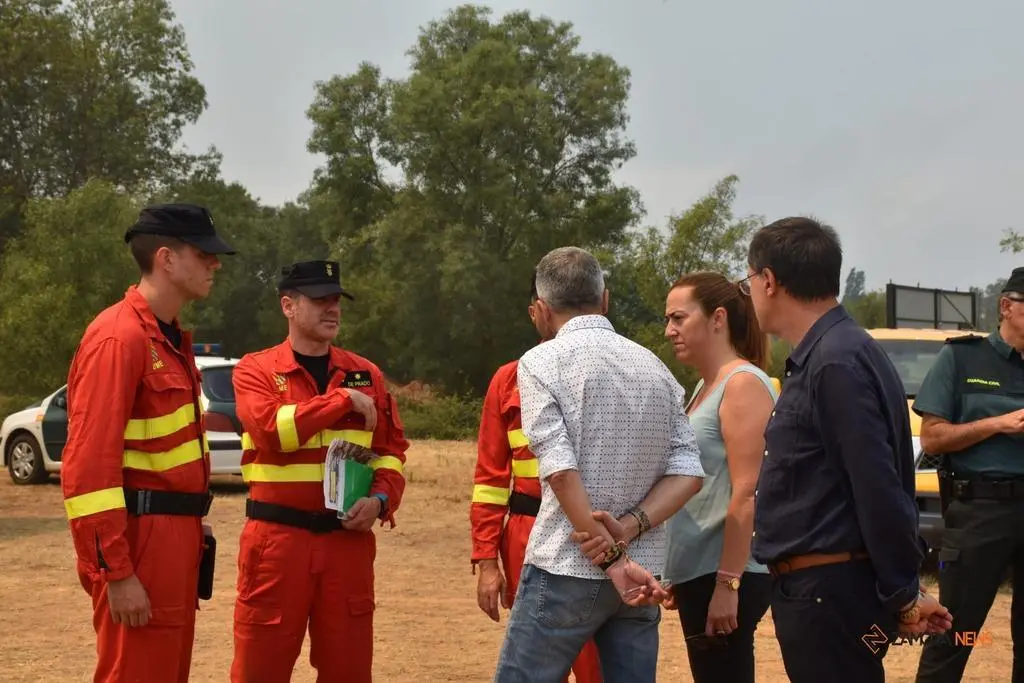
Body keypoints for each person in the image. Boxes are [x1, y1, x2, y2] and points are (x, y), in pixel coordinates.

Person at [742, 216, 952, 683]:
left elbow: (876, 487)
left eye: (749, 280)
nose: (750, 292)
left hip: (828, 595)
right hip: (824, 591)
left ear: (769, 280)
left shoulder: (834, 362)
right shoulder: (837, 352)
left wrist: (902, 592)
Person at [493, 246, 706, 683]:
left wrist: (610, 557)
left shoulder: (540, 362)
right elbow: (689, 472)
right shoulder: (654, 367)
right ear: (604, 299)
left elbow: (560, 471)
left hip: (565, 567)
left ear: (541, 309)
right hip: (641, 571)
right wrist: (628, 529)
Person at [60, 203, 236, 683]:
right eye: (203, 253)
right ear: (166, 258)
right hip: (139, 543)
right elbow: (88, 468)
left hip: (173, 536)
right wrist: (115, 571)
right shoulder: (119, 338)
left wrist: (188, 518)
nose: (215, 264)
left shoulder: (166, 337)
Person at [229, 260, 409, 683]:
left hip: (346, 546)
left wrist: (380, 500)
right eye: (319, 299)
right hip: (277, 545)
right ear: (288, 306)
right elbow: (272, 431)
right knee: (260, 670)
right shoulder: (256, 370)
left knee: (348, 670)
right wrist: (341, 400)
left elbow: (390, 453)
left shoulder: (367, 374)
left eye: (336, 300)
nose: (332, 308)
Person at [470, 274, 603, 683]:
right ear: (536, 313)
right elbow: (491, 480)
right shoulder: (507, 380)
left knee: (596, 666)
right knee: (538, 666)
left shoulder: (613, 369)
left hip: (595, 534)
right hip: (526, 536)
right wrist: (487, 561)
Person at [659, 271, 777, 683]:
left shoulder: (742, 384)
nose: (669, 330)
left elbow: (748, 491)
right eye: (668, 320)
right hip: (703, 572)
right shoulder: (704, 387)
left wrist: (727, 584)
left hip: (727, 573)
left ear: (718, 318)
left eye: (678, 318)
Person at [914, 267, 1024, 683]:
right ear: (1006, 306)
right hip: (980, 511)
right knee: (955, 633)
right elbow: (933, 437)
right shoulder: (962, 358)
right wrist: (998, 424)